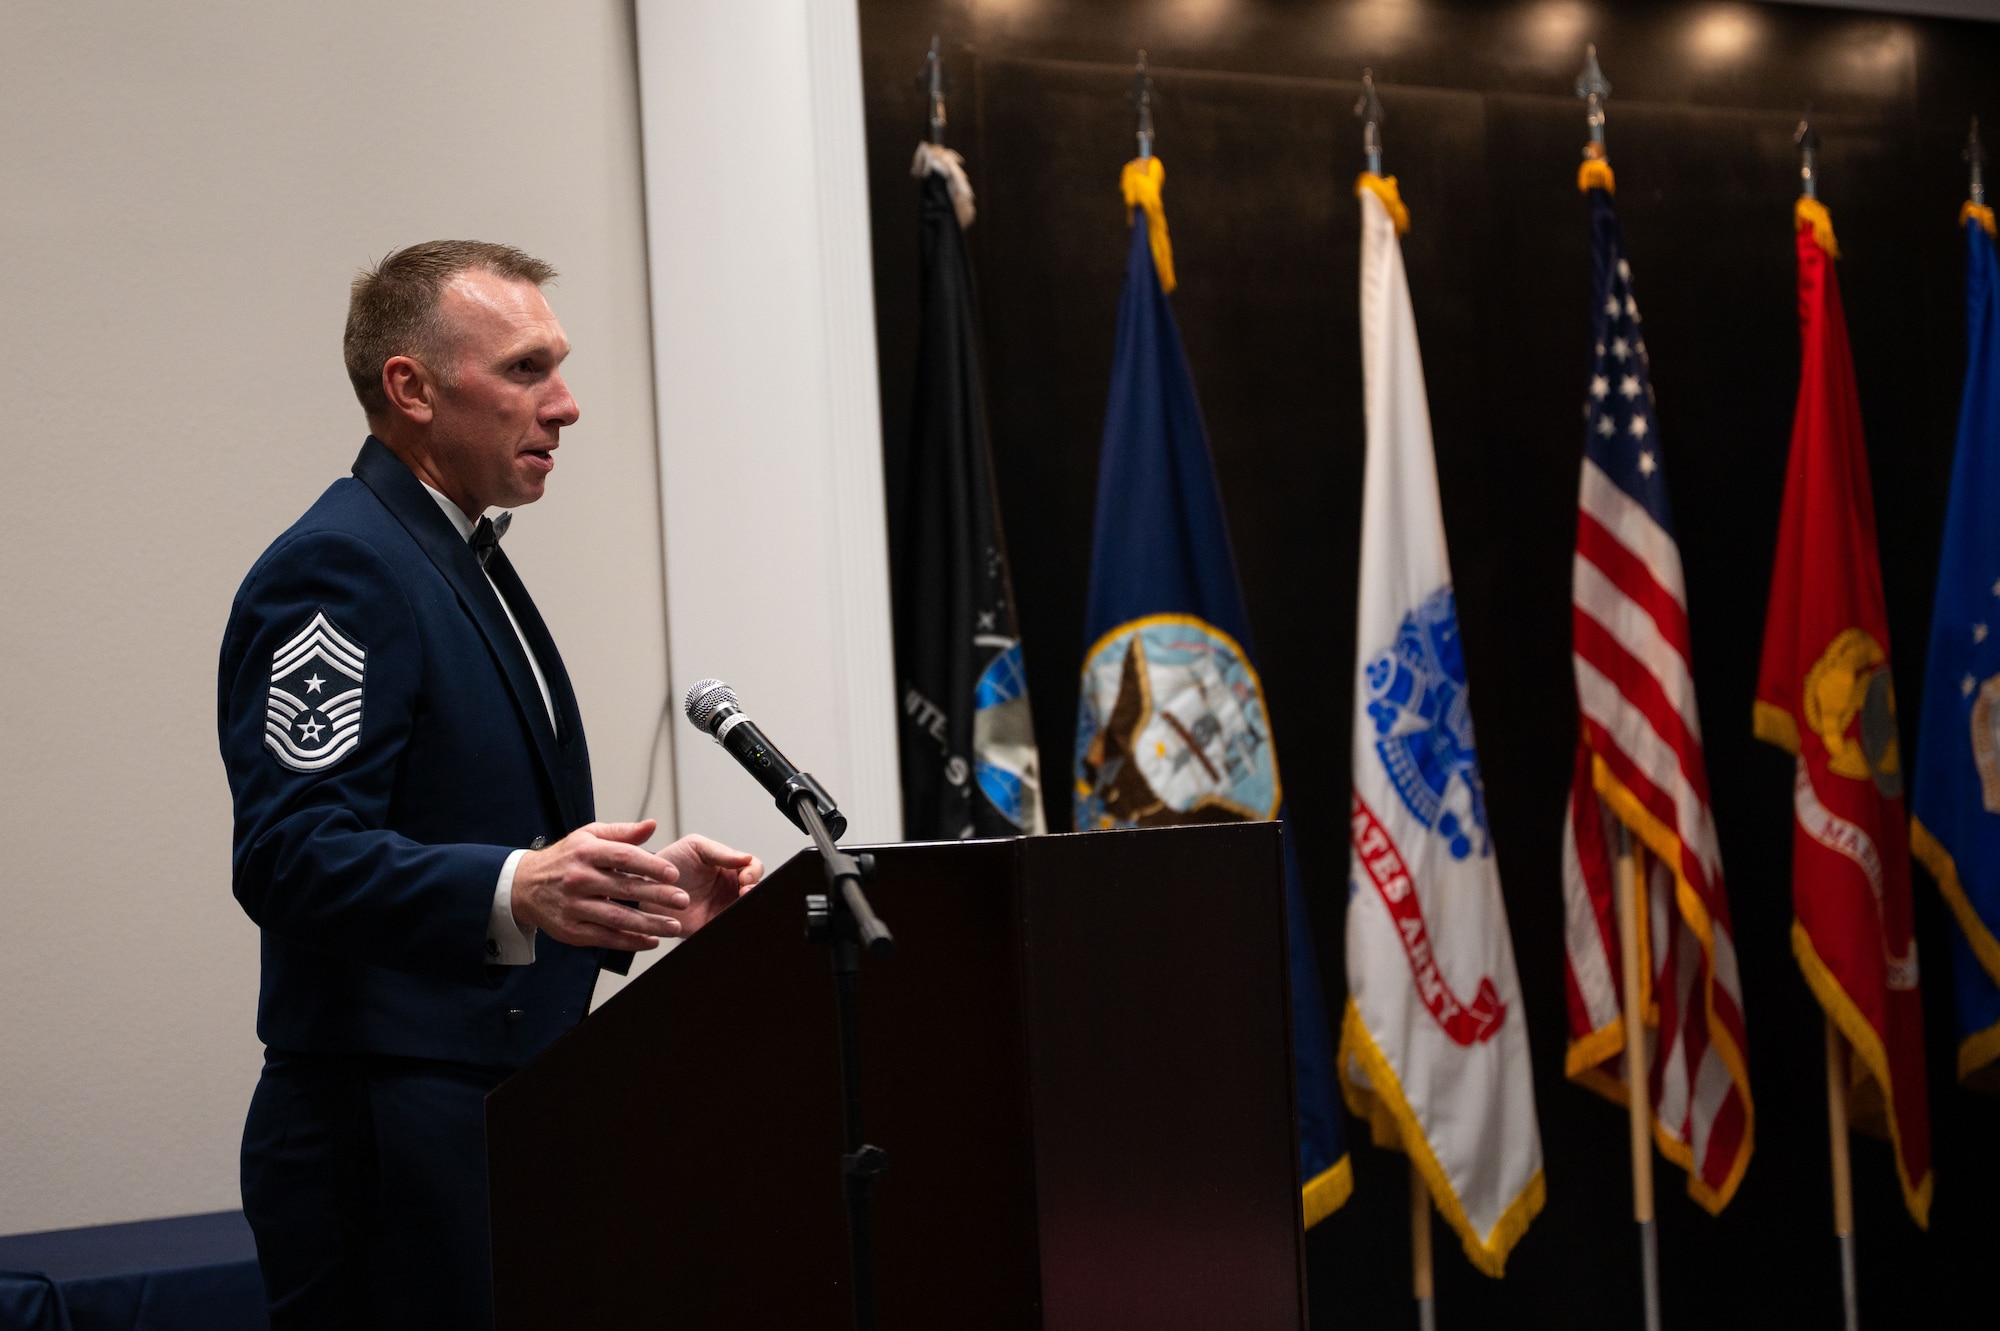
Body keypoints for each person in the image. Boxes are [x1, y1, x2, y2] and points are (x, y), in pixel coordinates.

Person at [216, 240, 763, 1330]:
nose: (565, 404)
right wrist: (519, 885)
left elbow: (470, 825)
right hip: (387, 1142)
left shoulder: (454, 551)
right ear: (411, 388)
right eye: (524, 369)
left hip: (495, 1112)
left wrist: (620, 892)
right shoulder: (342, 564)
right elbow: (289, 853)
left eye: (558, 366)